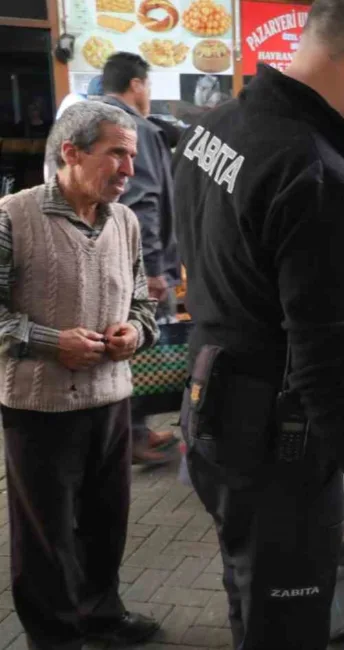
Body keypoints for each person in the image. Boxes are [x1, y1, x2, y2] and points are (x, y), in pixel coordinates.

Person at [171, 0, 344, 646]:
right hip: (275, 452)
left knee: (250, 593)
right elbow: (333, 372)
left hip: (212, 411)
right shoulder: (317, 178)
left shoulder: (215, 124)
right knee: (281, 622)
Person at [0, 101, 161, 647]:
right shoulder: (12, 216)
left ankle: (101, 615)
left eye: (132, 156)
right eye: (116, 154)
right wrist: (52, 343)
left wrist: (135, 333)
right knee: (46, 535)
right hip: (39, 407)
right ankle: (56, 636)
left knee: (106, 522)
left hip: (111, 401)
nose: (129, 170)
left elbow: (142, 303)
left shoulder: (127, 222)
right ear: (70, 152)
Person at [101, 51, 182, 465]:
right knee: (141, 346)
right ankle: (130, 438)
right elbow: (142, 199)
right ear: (136, 84)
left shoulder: (94, 119)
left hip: (110, 261)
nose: (148, 94)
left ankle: (136, 431)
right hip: (137, 263)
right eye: (148, 85)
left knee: (128, 345)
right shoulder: (133, 128)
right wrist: (151, 268)